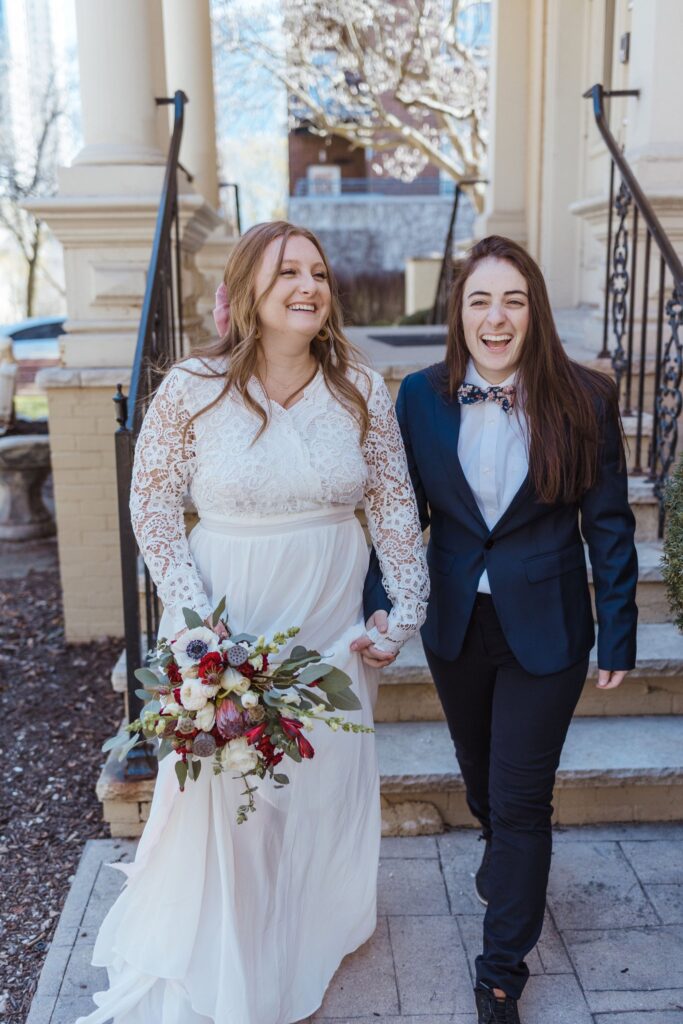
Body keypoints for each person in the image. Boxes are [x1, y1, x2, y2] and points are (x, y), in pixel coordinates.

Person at [77, 221, 429, 1024]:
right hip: (222, 623)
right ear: (245, 293)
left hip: (330, 623)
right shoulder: (192, 387)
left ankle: (311, 927)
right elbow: (153, 505)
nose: (307, 286)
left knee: (319, 784)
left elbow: (393, 504)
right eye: (285, 274)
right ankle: (236, 958)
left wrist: (405, 608)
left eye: (316, 272)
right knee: (233, 797)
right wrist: (198, 631)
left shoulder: (359, 390)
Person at [360, 235, 638, 1024]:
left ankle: (499, 971)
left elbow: (609, 524)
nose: (496, 316)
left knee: (521, 801)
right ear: (458, 312)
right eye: (480, 299)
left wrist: (617, 627)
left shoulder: (584, 397)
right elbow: (397, 514)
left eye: (512, 299)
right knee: (482, 783)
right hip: (455, 622)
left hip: (546, 626)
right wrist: (380, 598)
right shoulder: (416, 396)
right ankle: (506, 865)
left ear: (533, 311)